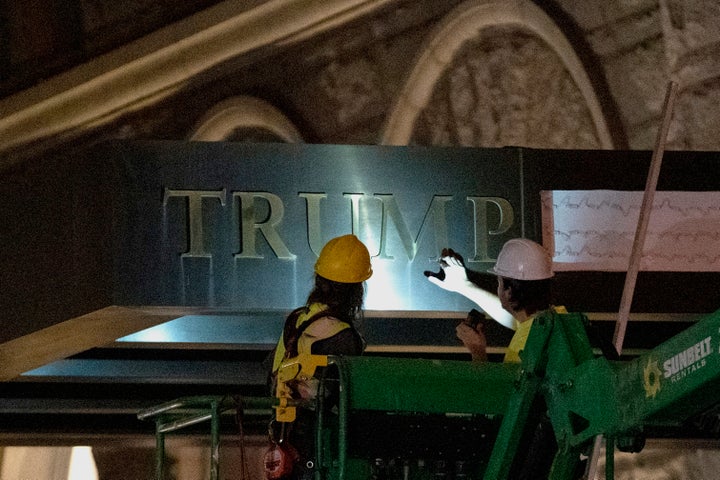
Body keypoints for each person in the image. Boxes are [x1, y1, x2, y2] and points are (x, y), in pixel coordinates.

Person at [268, 233, 373, 480]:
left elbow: (271, 372)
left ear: (318, 279)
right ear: (356, 290)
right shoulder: (344, 335)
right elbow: (349, 399)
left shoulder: (296, 320)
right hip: (320, 445)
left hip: (284, 437)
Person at [426, 238, 560, 363]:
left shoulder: (523, 348)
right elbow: (515, 319)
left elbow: (501, 388)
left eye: (499, 282)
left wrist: (478, 352)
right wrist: (464, 286)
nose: (498, 287)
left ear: (508, 291)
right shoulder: (556, 319)